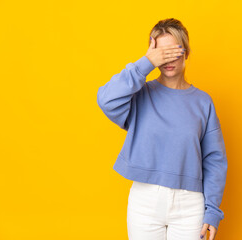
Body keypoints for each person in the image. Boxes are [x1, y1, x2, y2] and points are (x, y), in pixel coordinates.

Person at [97, 18, 228, 240]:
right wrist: (145, 63)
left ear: (186, 53)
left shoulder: (203, 102)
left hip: (190, 204)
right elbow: (106, 99)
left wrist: (213, 210)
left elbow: (214, 159)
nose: (167, 59)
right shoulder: (140, 95)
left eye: (173, 50)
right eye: (161, 52)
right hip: (144, 201)